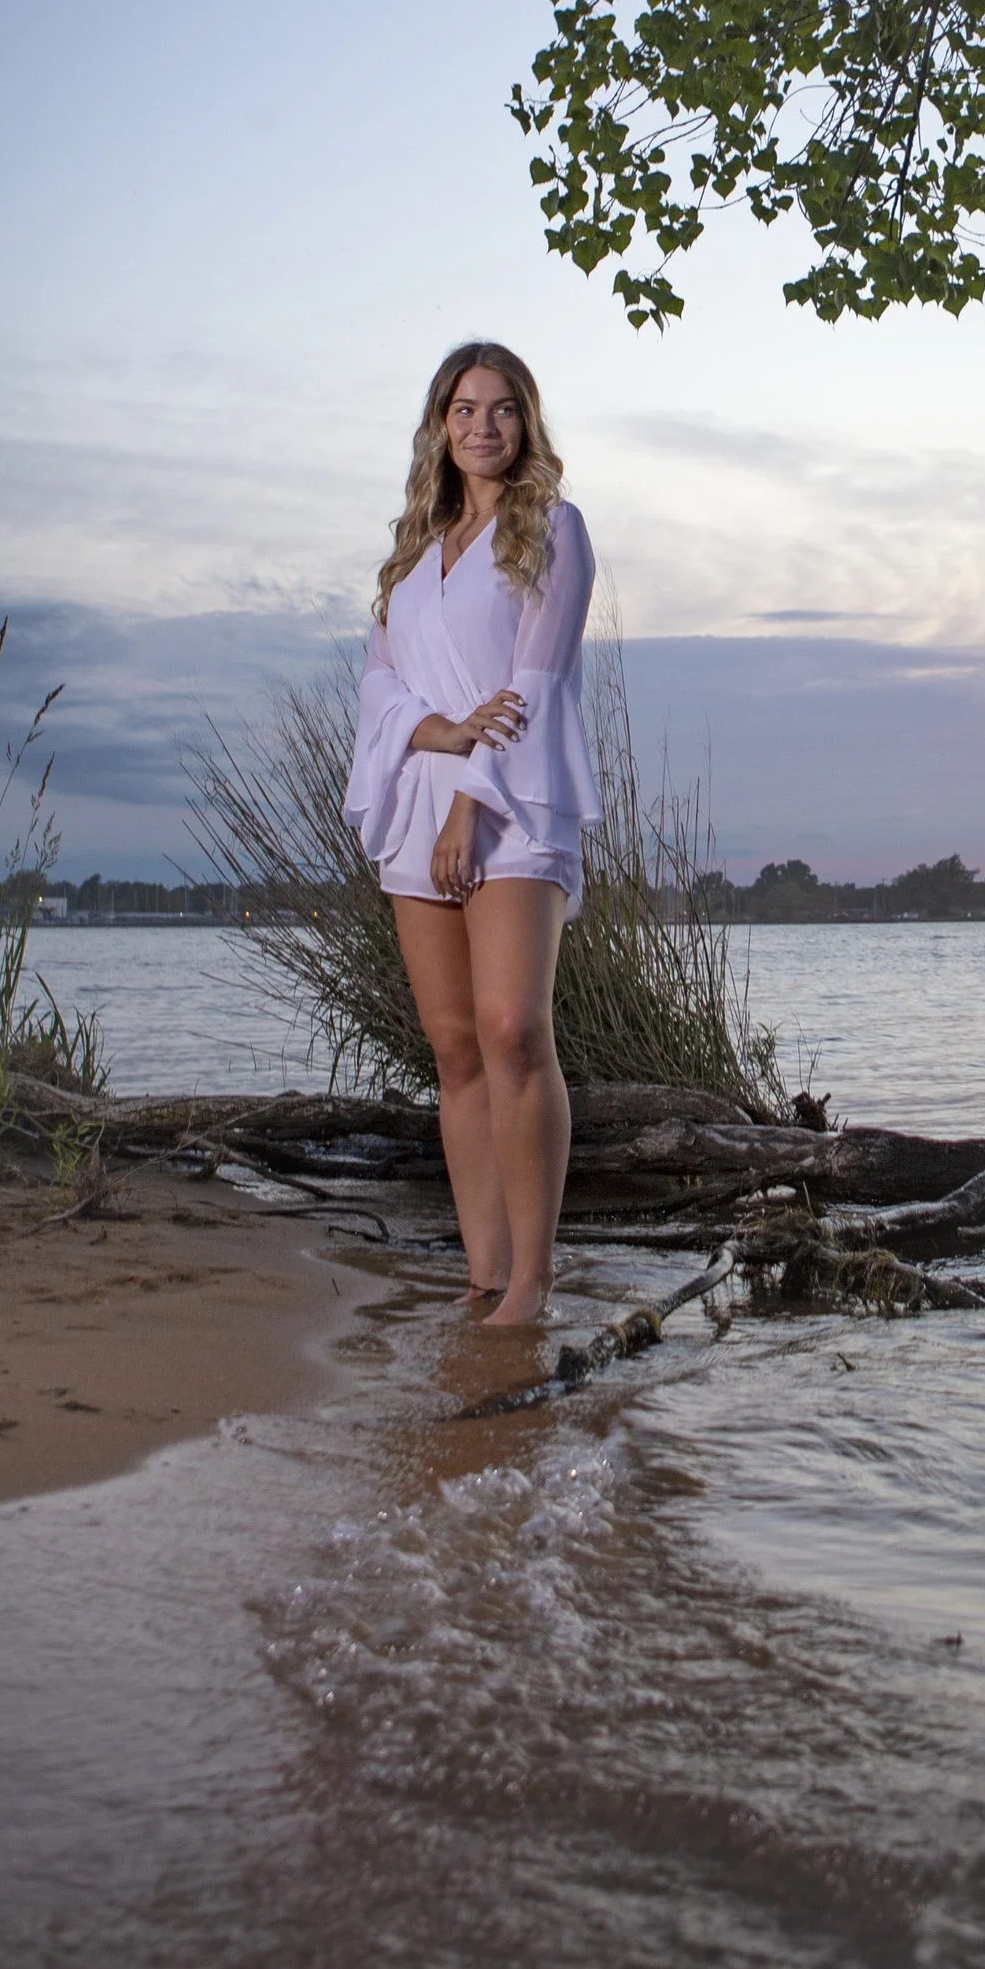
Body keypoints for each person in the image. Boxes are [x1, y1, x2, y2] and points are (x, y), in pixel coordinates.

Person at [343, 342, 599, 1326]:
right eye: (463, 409)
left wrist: (469, 798)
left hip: (515, 803)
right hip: (418, 797)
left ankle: (534, 1280)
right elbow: (379, 682)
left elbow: (535, 683)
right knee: (452, 1048)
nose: (482, 427)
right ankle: (483, 1274)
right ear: (438, 426)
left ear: (526, 424)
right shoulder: (413, 554)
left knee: (512, 1031)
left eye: (501, 410)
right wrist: (432, 734)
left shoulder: (553, 533)